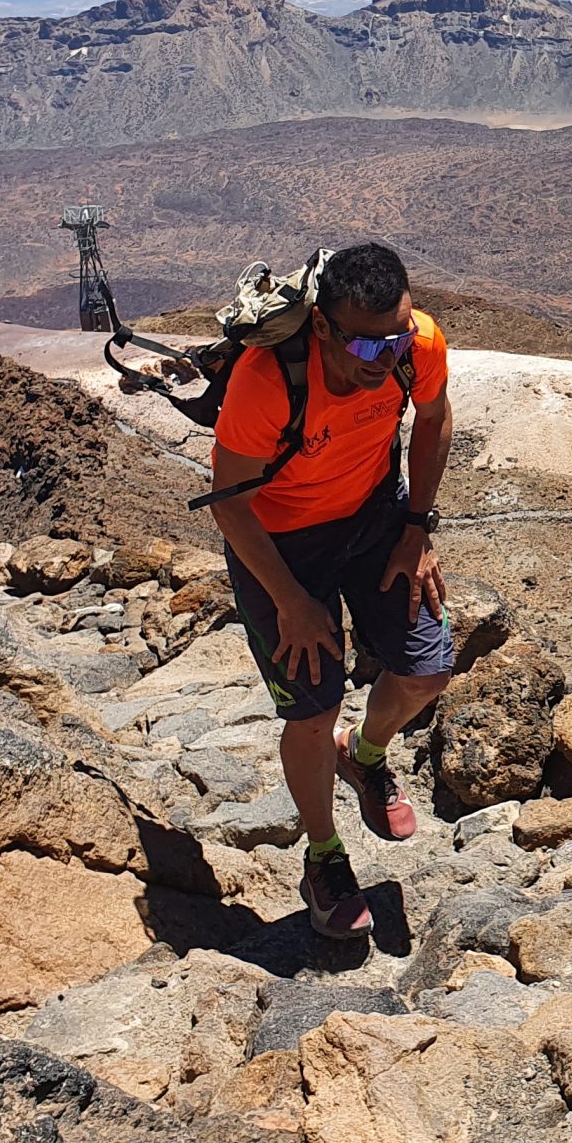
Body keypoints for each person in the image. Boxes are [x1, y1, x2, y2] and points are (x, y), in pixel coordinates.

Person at [209, 240, 453, 939]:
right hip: (281, 541)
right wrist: (291, 600)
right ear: (322, 325)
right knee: (313, 708)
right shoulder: (267, 382)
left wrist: (417, 528)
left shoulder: (417, 345)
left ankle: (364, 754)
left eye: (396, 338)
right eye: (368, 346)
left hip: (374, 517)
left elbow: (434, 420)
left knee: (427, 670)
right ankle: (324, 855)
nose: (386, 359)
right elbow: (230, 504)